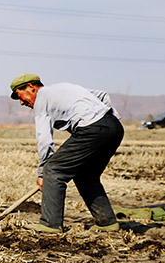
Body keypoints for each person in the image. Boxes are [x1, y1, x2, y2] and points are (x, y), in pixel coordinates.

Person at [9, 73, 124, 233]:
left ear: (31, 87)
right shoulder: (63, 88)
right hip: (115, 127)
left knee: (53, 170)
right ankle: (107, 222)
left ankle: (50, 224)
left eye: (20, 96)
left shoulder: (41, 100)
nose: (21, 102)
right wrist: (111, 121)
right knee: (86, 175)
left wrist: (43, 173)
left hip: (93, 129)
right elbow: (103, 95)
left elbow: (45, 140)